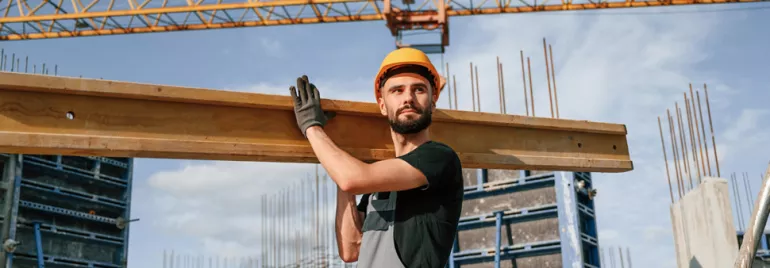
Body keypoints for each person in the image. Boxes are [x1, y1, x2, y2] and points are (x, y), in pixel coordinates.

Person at [289, 47, 464, 268]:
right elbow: (350, 249)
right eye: (397, 91)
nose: (408, 98)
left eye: (418, 89)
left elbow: (352, 179)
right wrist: (342, 153)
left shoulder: (439, 158)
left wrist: (311, 127)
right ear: (382, 105)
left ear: (433, 101)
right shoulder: (379, 185)